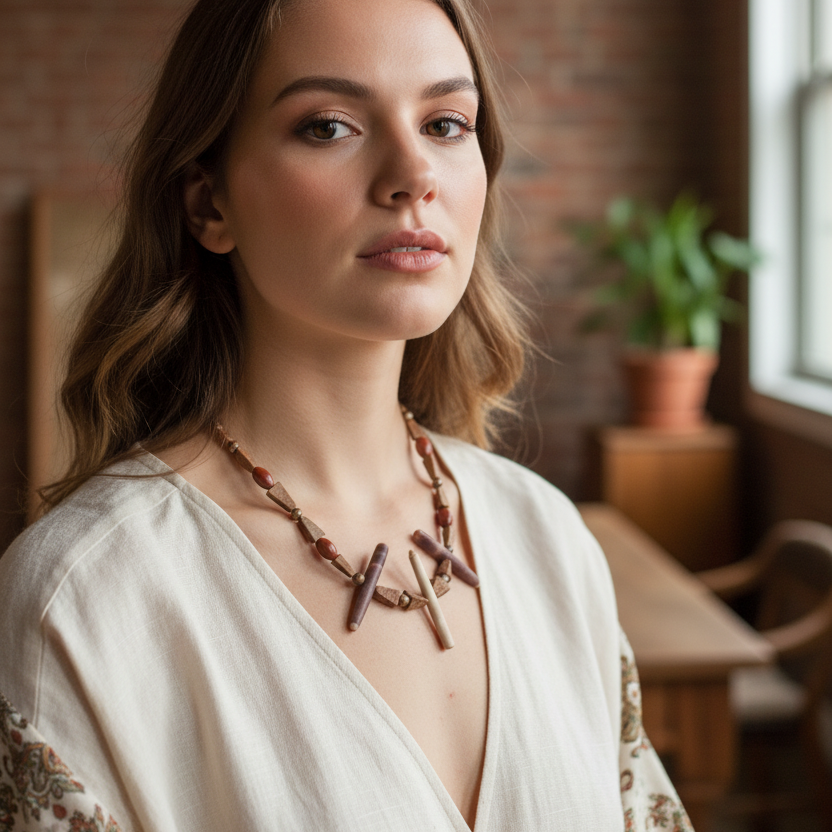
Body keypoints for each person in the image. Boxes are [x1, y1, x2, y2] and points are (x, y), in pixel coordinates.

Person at [0, 0, 693, 829]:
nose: (413, 174)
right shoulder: (85, 597)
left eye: (445, 123)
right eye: (328, 126)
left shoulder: (547, 537)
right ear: (209, 203)